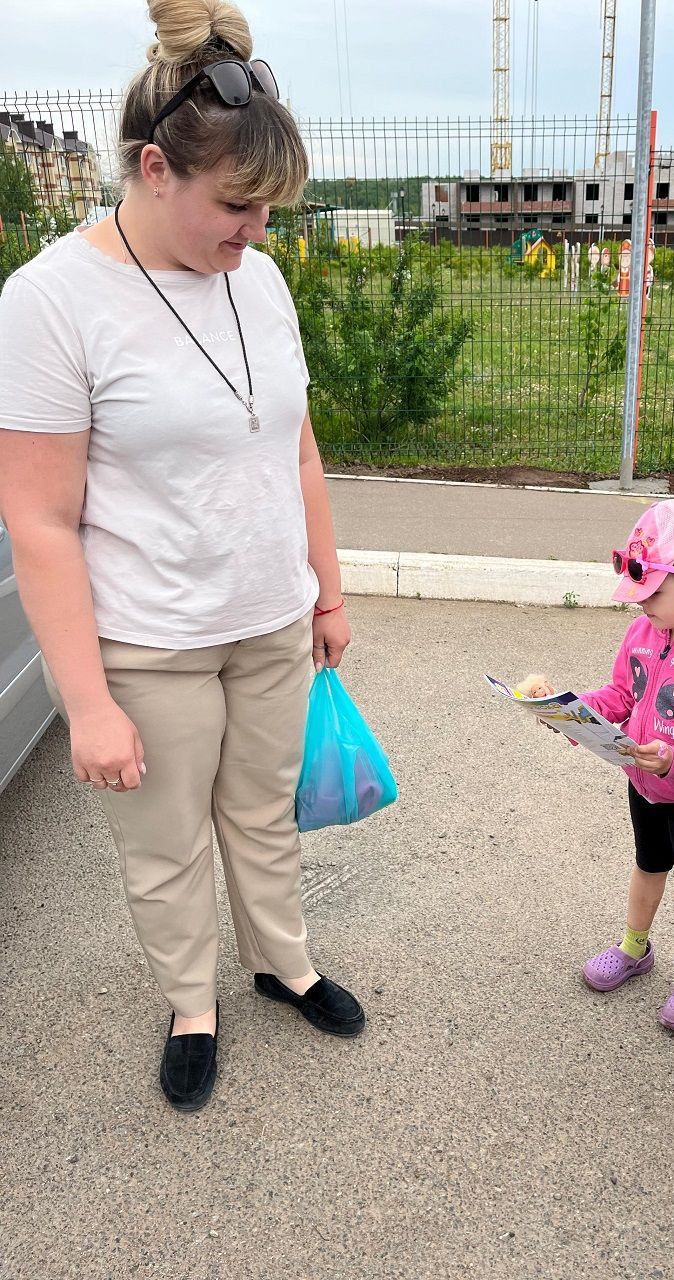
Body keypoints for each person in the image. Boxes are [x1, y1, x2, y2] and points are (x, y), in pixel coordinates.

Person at [0, 0, 364, 1114]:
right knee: (165, 845)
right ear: (155, 167)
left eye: (268, 210)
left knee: (260, 810)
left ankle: (282, 959)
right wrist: (88, 700)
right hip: (150, 639)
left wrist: (327, 586)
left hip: (267, 617)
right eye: (238, 206)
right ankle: (192, 999)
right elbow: (39, 519)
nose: (257, 233)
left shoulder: (258, 276)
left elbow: (293, 437)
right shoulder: (51, 302)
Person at [519, 499, 674, 1034]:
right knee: (648, 864)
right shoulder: (644, 633)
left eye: (652, 593)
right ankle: (635, 947)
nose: (641, 605)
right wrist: (567, 711)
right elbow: (619, 696)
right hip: (643, 783)